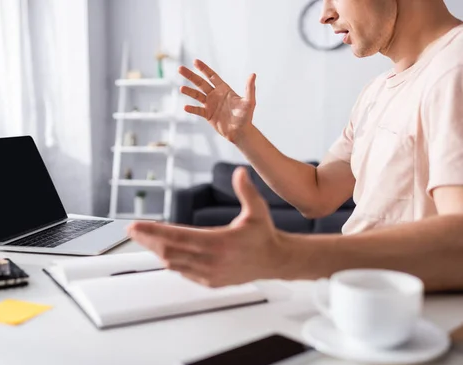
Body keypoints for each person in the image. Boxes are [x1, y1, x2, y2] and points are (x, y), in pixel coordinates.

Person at [127, 0, 463, 293]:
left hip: (419, 323)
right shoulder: (377, 92)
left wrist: (283, 256)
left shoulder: (455, 69)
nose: (324, 15)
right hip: (367, 303)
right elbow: (317, 194)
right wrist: (243, 134)